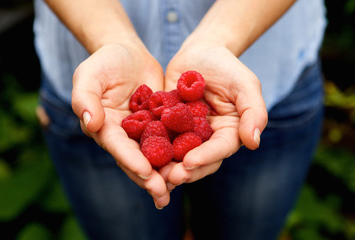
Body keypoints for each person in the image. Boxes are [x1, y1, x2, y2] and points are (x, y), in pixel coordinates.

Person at [33, 0, 327, 239]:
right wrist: (110, 38)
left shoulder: (186, 116)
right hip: (97, 89)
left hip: (271, 79)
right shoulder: (159, 118)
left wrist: (220, 38)